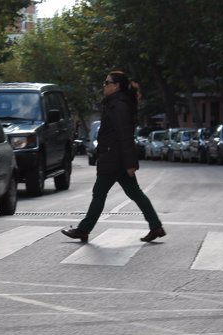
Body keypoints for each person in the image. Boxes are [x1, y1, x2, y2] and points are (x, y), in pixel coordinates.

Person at [61, 71, 165, 243]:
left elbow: (125, 134)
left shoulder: (119, 106)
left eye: (106, 82)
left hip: (114, 158)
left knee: (99, 193)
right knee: (135, 193)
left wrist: (130, 163)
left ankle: (83, 230)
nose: (104, 85)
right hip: (116, 157)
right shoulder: (115, 104)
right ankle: (156, 226)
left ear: (116, 86)